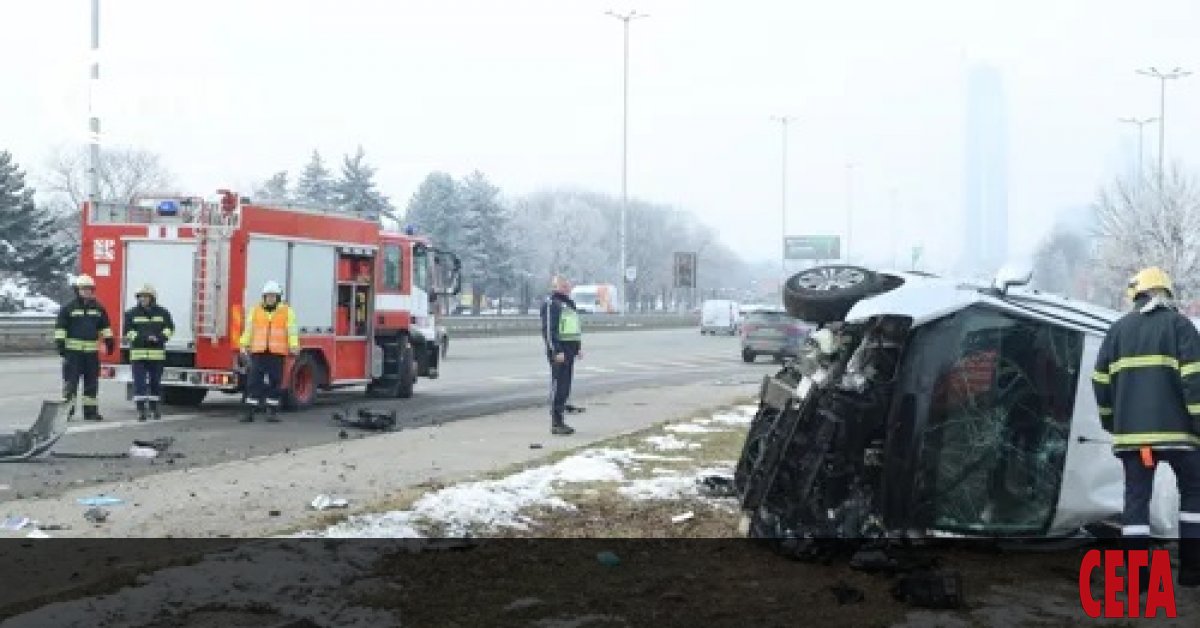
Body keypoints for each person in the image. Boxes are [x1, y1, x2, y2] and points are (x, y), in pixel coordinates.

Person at [1092, 266, 1199, 588]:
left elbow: (1100, 382)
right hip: (1181, 436)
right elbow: (1194, 380)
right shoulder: (1181, 327)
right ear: (1166, 293)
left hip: (1134, 440)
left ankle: (1139, 577)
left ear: (1136, 296)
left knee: (1136, 501)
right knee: (1194, 496)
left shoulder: (1117, 331)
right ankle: (1192, 572)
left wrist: (1113, 423)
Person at [53, 274, 115, 421]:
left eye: (89, 289)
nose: (87, 291)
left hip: (91, 354)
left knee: (91, 384)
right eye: (83, 289)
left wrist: (109, 340)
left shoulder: (98, 308)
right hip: (73, 354)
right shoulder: (68, 308)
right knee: (70, 384)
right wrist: (61, 345)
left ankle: (90, 412)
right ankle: (67, 412)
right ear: (77, 290)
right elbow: (60, 328)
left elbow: (105, 326)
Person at [238, 280, 299, 423]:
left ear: (278, 298)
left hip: (277, 353)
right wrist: (243, 344)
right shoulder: (256, 310)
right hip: (258, 352)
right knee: (253, 383)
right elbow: (249, 329)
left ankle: (271, 412)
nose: (270, 298)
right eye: (268, 296)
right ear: (263, 297)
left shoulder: (286, 311)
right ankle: (249, 413)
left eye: (273, 296)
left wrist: (294, 345)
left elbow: (292, 331)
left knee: (275, 383)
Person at [123, 284, 174, 421]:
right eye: (141, 297)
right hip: (138, 355)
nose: (143, 299)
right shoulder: (131, 313)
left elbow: (169, 328)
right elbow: (128, 331)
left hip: (156, 355)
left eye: (146, 297)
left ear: (152, 298)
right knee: (139, 383)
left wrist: (159, 338)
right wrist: (144, 338)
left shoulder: (163, 313)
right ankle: (141, 410)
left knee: (155, 382)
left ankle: (154, 407)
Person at [540, 275, 583, 435]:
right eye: (563, 286)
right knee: (558, 385)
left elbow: (573, 328)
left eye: (568, 285)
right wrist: (556, 350)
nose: (567, 288)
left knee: (565, 386)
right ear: (555, 287)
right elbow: (549, 331)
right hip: (559, 351)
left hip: (569, 350)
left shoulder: (568, 304)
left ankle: (561, 416)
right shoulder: (552, 304)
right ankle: (556, 421)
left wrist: (578, 347)